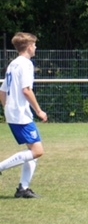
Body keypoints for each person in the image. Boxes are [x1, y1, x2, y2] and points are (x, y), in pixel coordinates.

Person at [0, 32, 48, 198]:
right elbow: (26, 90)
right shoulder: (25, 64)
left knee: (32, 151)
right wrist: (39, 111)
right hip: (21, 114)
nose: (35, 47)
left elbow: (2, 92)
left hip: (14, 112)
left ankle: (23, 188)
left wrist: (8, 108)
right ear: (28, 47)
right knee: (37, 151)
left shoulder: (13, 64)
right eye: (34, 45)